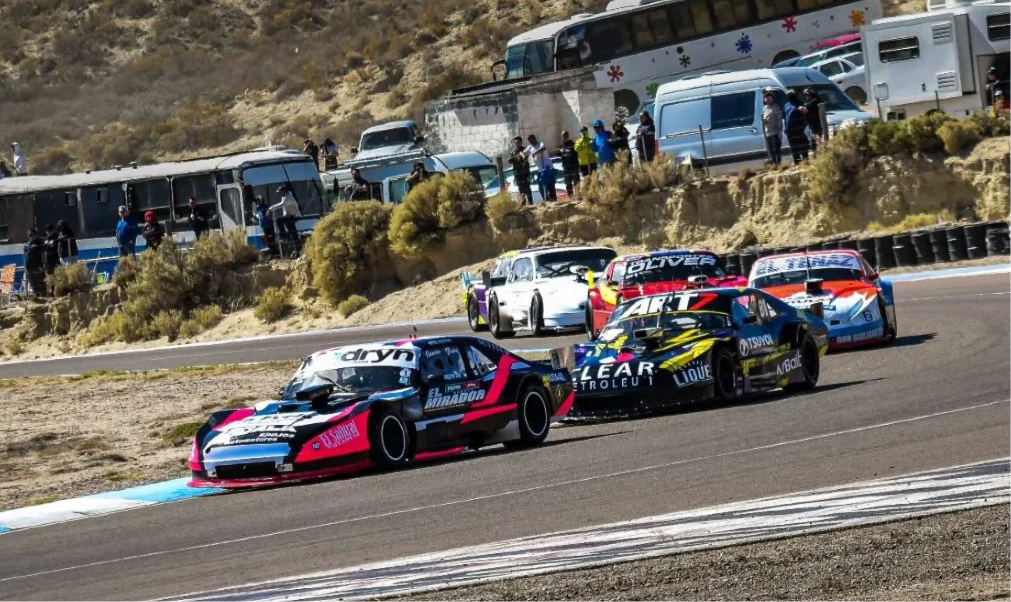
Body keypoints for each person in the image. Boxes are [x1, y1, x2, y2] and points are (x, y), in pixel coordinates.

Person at [525, 134, 556, 202]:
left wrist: (534, 153)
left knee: (550, 186)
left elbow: (543, 148)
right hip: (540, 170)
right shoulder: (530, 147)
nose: (531, 141)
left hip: (548, 168)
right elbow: (524, 153)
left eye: (532, 139)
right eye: (529, 140)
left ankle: (553, 201)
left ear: (535, 138)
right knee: (541, 188)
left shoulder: (540, 144)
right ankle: (546, 201)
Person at [783, 90, 810, 165]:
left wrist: (802, 109)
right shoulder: (786, 105)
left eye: (792, 94)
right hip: (789, 129)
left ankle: (805, 161)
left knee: (804, 144)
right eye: (789, 95)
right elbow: (786, 117)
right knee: (794, 148)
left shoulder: (799, 102)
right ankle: (797, 162)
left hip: (799, 128)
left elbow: (806, 111)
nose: (790, 96)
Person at [508, 136, 534, 205]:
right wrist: (516, 158)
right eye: (516, 143)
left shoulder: (525, 150)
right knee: (521, 191)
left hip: (525, 173)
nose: (517, 144)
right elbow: (510, 160)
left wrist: (521, 157)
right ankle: (524, 206)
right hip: (518, 174)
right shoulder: (513, 152)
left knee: (528, 190)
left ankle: (531, 204)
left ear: (521, 142)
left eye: (519, 142)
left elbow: (526, 157)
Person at [762, 89, 784, 166]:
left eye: (769, 98)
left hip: (775, 132)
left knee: (776, 150)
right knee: (771, 151)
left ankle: (778, 164)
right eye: (766, 98)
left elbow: (779, 120)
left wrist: (780, 132)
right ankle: (773, 165)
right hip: (768, 133)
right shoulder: (764, 108)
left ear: (772, 99)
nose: (767, 100)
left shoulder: (776, 107)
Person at [23, 229, 48, 297]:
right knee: (37, 284)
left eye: (32, 235)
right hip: (33, 267)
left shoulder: (30, 244)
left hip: (34, 267)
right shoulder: (29, 245)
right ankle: (39, 297)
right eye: (30, 235)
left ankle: (41, 297)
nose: (31, 236)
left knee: (38, 284)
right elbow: (44, 248)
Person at [558, 131, 581, 198]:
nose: (564, 137)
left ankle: (578, 196)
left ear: (568, 136)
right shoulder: (561, 146)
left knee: (576, 183)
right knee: (568, 184)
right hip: (566, 168)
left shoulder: (573, 144)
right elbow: (558, 154)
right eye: (563, 136)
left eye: (565, 136)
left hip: (574, 166)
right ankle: (570, 197)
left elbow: (577, 154)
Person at [803, 88, 824, 155]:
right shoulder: (809, 102)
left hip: (816, 123)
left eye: (808, 95)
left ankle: (817, 153)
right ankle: (816, 153)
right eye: (805, 95)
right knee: (814, 139)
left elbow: (811, 104)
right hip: (812, 124)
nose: (807, 96)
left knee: (816, 139)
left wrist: (805, 107)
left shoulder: (815, 101)